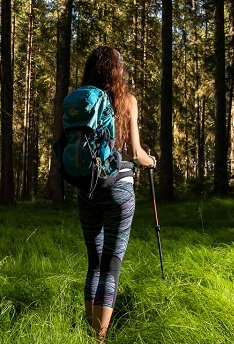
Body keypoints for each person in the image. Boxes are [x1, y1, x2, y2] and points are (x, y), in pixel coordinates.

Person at [77, 46, 155, 342]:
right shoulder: (127, 101)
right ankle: (100, 338)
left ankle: (88, 334)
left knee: (94, 261)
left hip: (87, 189)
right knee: (112, 264)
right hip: (120, 189)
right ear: (118, 70)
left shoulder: (81, 100)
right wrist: (151, 160)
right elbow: (135, 153)